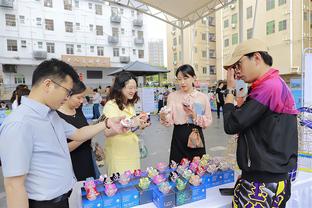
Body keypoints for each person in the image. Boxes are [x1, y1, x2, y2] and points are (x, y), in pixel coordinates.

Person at [0, 59, 127, 208]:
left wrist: (107, 123)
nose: (67, 97)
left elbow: (78, 133)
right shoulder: (19, 123)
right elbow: (14, 185)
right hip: (43, 204)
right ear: (48, 85)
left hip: (62, 199)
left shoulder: (51, 114)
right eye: (67, 91)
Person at [223, 38, 298, 208]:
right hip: (271, 175)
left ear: (256, 58)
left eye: (238, 65)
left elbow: (232, 124)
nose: (236, 72)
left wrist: (229, 91)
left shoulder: (268, 88)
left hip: (263, 182)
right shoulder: (275, 84)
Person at [160, 64, 212, 163]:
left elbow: (208, 121)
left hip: (196, 136)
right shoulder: (173, 96)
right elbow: (169, 120)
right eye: (179, 79)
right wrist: (164, 116)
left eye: (186, 78)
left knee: (197, 170)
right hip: (178, 136)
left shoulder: (202, 97)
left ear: (194, 78)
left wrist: (194, 116)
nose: (182, 82)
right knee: (177, 170)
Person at [103, 72, 150, 176]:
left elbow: (129, 129)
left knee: (133, 183)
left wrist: (139, 125)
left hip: (132, 151)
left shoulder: (129, 105)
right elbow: (107, 132)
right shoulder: (111, 106)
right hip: (118, 154)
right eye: (130, 88)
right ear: (120, 88)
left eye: (135, 87)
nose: (133, 91)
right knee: (120, 185)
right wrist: (133, 122)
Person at [57, 80, 100, 181]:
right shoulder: (56, 116)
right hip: (72, 164)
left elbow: (85, 128)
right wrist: (84, 137)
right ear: (67, 95)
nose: (81, 101)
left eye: (83, 97)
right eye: (78, 97)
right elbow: (63, 148)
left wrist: (94, 145)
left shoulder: (78, 109)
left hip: (88, 159)